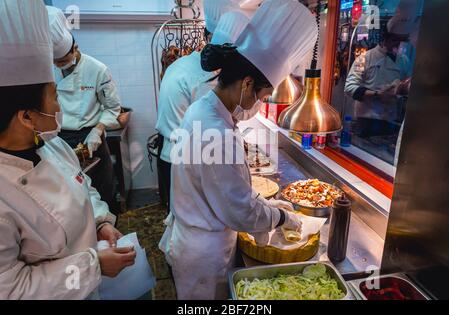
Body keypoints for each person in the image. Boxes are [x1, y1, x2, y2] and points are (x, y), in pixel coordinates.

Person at [159, 0, 318, 299]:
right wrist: (282, 218)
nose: (262, 101)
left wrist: (269, 206)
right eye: (263, 93)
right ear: (247, 83)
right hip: (204, 256)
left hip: (193, 238)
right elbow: (240, 210)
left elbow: (229, 189)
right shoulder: (216, 131)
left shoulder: (204, 108)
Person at [0, 0, 135, 299]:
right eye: (53, 97)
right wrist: (93, 268)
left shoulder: (52, 145)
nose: (59, 106)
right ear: (26, 116)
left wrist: (101, 221)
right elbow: (13, 289)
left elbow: (82, 185)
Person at [155, 2, 253, 211]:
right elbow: (219, 123)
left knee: (180, 219)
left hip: (175, 154)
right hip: (182, 159)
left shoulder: (184, 64)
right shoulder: (203, 79)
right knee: (191, 218)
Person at [47, 6, 122, 214]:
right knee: (74, 196)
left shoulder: (97, 69)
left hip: (91, 139)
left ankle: (111, 234)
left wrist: (98, 130)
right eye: (56, 62)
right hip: (61, 141)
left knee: (104, 191)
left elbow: (113, 107)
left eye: (63, 60)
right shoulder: (50, 70)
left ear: (75, 48)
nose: (60, 65)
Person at [344, 18, 413, 140]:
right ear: (385, 38)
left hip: (391, 119)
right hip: (367, 119)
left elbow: (408, 83)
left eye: (402, 41)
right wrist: (377, 94)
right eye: (395, 40)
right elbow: (349, 87)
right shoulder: (365, 58)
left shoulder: (404, 61)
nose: (399, 44)